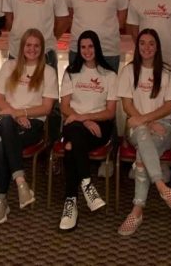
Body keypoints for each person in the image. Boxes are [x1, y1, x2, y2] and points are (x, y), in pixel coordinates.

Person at [116, 28, 171, 237]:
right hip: (138, 126)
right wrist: (145, 123)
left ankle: (137, 211)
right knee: (144, 137)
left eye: (151, 43)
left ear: (157, 47)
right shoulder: (128, 71)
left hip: (164, 127)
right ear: (137, 47)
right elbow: (127, 105)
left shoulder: (167, 73)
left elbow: (170, 106)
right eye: (142, 43)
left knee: (142, 153)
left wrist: (147, 120)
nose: (146, 47)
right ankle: (161, 186)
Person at [0, 28, 58, 224]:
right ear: (22, 47)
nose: (32, 49)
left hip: (32, 124)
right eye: (28, 45)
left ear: (42, 49)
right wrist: (14, 114)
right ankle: (20, 183)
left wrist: (21, 113)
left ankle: (1, 201)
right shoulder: (9, 66)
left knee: (0, 144)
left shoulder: (49, 72)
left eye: (36, 46)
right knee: (5, 124)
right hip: (6, 119)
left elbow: (46, 108)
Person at [57, 30, 118, 230]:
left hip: (99, 126)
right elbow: (64, 107)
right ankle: (86, 185)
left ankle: (70, 202)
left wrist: (84, 117)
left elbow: (110, 112)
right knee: (74, 137)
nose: (86, 51)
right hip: (76, 124)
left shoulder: (109, 75)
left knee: (70, 145)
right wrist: (82, 121)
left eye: (90, 46)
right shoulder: (71, 72)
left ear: (97, 47)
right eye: (83, 47)